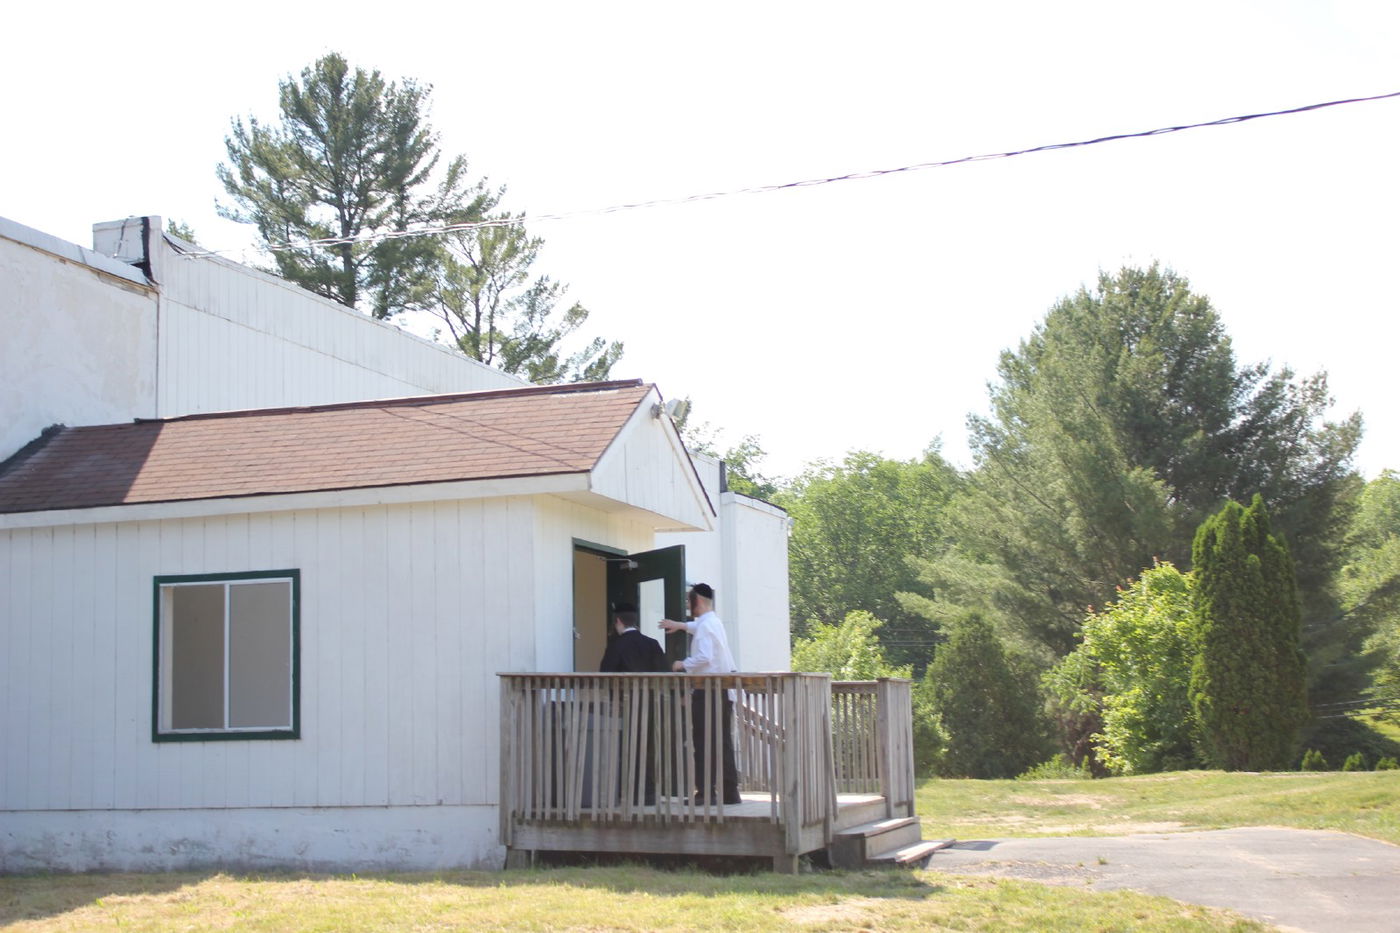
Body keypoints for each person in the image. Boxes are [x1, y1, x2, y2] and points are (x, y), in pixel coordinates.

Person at [659, 583, 741, 805]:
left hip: (707, 691)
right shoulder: (714, 623)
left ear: (698, 602)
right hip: (722, 690)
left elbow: (704, 656)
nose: (688, 605)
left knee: (703, 741)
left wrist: (682, 664)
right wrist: (680, 625)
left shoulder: (706, 627)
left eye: (689, 601)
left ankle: (705, 793)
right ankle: (729, 791)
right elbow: (699, 627)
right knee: (722, 741)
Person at [599, 603, 667, 673]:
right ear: (634, 621)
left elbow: (604, 673)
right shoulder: (653, 644)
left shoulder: (614, 646)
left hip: (624, 684)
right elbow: (664, 671)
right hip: (650, 684)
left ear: (618, 621)